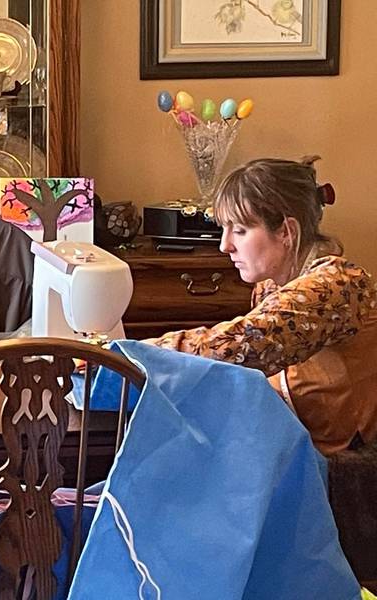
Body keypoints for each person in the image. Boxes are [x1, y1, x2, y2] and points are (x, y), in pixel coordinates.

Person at [147, 156, 377, 456]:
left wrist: (124, 355)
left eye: (239, 230)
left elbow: (244, 343)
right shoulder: (270, 284)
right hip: (293, 446)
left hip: (344, 469)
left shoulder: (338, 286)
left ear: (285, 231)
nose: (224, 245)